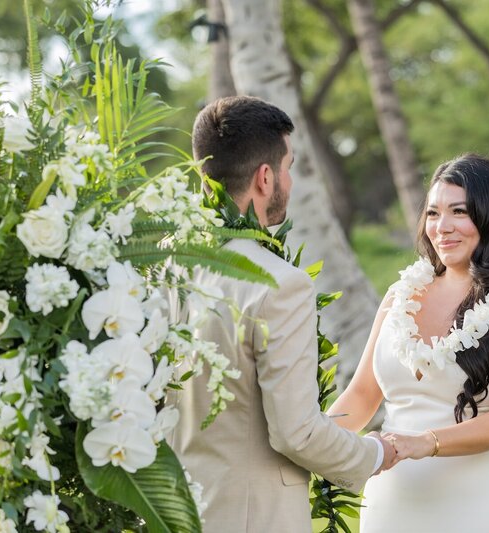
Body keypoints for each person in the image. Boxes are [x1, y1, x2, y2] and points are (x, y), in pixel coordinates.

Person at [168, 95, 396, 532]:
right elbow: (297, 433)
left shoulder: (164, 265)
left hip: (173, 512)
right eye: (288, 167)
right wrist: (376, 453)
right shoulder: (279, 283)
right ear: (265, 176)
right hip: (255, 518)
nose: (289, 183)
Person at [327, 154, 489, 532]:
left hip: (476, 505)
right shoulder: (399, 295)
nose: (442, 227)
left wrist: (423, 442)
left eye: (459, 212)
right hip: (391, 504)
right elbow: (360, 397)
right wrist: (312, 438)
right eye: (434, 213)